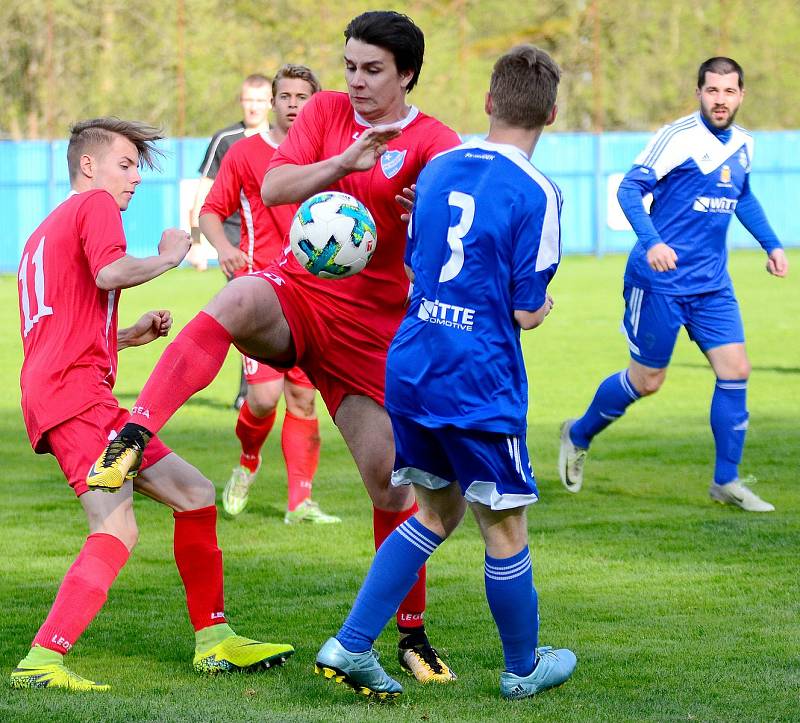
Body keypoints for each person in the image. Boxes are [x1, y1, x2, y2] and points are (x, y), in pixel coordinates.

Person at [88, 11, 461, 684]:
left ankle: (410, 634)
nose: (357, 81)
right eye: (349, 66)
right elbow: (274, 186)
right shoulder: (324, 113)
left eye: (373, 70)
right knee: (231, 302)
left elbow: (446, 253)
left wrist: (419, 211)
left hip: (368, 334)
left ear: (407, 73)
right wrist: (343, 162)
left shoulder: (437, 142)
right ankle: (133, 433)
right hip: (296, 292)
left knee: (391, 485)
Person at [314, 43, 576, 701]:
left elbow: (412, 268)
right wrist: (543, 301)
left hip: (413, 365)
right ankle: (522, 667)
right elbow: (526, 307)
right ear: (550, 112)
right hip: (477, 378)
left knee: (434, 512)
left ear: (488, 102)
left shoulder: (439, 167)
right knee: (504, 522)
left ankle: (349, 643)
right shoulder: (540, 191)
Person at [11, 118, 293, 693]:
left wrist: (127, 335)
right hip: (76, 400)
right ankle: (41, 661)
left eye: (137, 167)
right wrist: (169, 257)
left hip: (69, 391)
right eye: (126, 164)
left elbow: (52, 332)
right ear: (88, 166)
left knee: (194, 494)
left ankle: (214, 642)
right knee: (114, 530)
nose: (135, 178)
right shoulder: (94, 208)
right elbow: (110, 270)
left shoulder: (39, 233)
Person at [558, 57, 789, 511]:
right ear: (699, 92)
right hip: (659, 282)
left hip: (711, 285)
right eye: (712, 91)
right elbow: (628, 188)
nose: (720, 100)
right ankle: (578, 433)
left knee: (736, 370)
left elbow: (742, 196)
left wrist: (772, 245)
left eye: (729, 92)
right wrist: (652, 243)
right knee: (648, 381)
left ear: (741, 95)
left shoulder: (744, 144)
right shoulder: (677, 138)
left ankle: (726, 481)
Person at [199, 64, 339, 524]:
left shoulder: (331, 157)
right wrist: (222, 249)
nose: (294, 104)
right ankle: (248, 461)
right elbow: (212, 211)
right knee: (262, 398)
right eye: (286, 96)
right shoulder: (243, 154)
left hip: (316, 296)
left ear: (315, 103)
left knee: (303, 398)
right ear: (273, 103)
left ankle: (300, 502)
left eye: (304, 96)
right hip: (262, 292)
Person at [189, 73, 272, 408]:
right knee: (249, 313)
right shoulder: (226, 139)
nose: (252, 107)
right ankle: (248, 391)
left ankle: (270, 387)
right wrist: (197, 244)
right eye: (247, 100)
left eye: (259, 100)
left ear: (271, 102)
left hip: (276, 245)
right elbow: (202, 195)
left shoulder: (286, 140)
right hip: (236, 242)